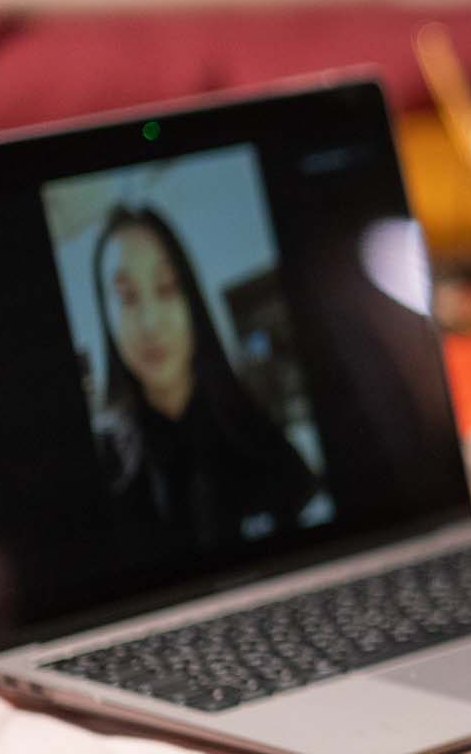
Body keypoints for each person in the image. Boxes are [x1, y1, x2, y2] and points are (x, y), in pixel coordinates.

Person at [92, 206, 321, 552]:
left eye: (167, 288)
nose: (150, 322)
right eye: (127, 297)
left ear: (192, 299)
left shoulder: (254, 428)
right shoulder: (104, 460)